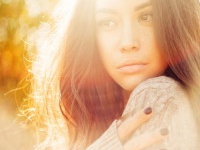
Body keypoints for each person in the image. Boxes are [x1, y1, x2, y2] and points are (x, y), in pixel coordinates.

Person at [26, 0, 200, 149]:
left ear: (175, 22)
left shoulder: (158, 96)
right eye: (108, 23)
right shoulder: (98, 122)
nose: (128, 42)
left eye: (147, 17)